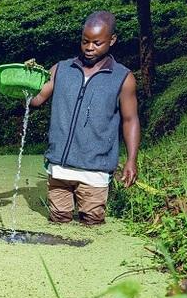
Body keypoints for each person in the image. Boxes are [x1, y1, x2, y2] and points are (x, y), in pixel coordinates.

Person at [29, 11, 140, 225]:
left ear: (112, 40)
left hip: (95, 170)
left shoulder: (123, 78)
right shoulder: (61, 69)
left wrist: (131, 160)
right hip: (59, 168)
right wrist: (26, 80)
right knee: (58, 220)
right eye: (85, 41)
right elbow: (36, 100)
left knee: (92, 222)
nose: (89, 48)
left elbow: (130, 120)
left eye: (97, 43)